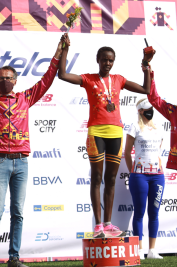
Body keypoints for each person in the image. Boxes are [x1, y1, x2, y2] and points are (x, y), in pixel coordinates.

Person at [0, 31, 64, 266]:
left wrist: (58, 53)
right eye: (1, 78)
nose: (5, 80)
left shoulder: (26, 98)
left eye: (9, 77)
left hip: (22, 162)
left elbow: (47, 79)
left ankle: (14, 258)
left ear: (16, 80)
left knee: (18, 213)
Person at [58, 33, 153, 238]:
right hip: (96, 132)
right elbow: (63, 75)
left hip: (116, 132)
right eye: (104, 60)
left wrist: (146, 65)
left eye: (111, 60)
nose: (107, 63)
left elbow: (146, 89)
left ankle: (109, 223)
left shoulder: (118, 80)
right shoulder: (89, 79)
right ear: (98, 60)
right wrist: (65, 49)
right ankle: (98, 225)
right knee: (97, 177)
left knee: (111, 178)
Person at [123, 98, 164, 260]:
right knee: (139, 213)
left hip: (158, 177)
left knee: (154, 213)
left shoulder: (158, 129)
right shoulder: (134, 128)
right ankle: (139, 249)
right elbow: (127, 152)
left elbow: (158, 152)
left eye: (151, 108)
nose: (150, 111)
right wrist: (132, 171)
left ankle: (152, 250)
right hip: (139, 176)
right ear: (140, 111)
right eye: (147, 108)